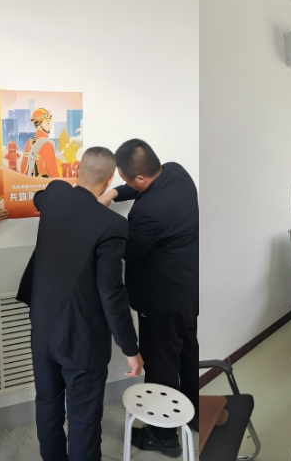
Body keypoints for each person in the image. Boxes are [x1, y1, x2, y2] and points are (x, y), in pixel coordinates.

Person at [17, 146, 143, 461]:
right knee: (83, 419)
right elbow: (111, 291)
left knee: (47, 404)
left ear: (76, 171)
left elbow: (40, 198)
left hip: (42, 327)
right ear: (110, 179)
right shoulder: (112, 225)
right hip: (81, 339)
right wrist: (131, 348)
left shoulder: (54, 195)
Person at [98, 140, 199, 457]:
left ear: (140, 178)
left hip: (161, 301)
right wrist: (114, 193)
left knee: (161, 365)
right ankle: (195, 412)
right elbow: (140, 186)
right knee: (187, 353)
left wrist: (98, 217)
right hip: (189, 289)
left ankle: (164, 437)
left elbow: (128, 250)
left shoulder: (148, 213)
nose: (126, 185)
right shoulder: (177, 173)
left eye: (126, 180)